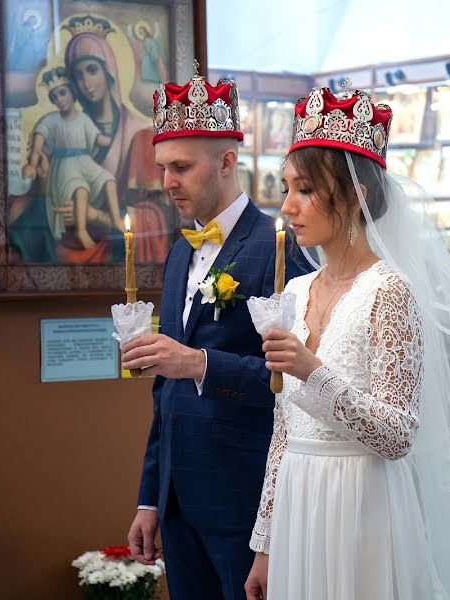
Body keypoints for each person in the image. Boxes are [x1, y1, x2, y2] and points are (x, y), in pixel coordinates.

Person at [244, 87, 450, 600]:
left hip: (362, 503)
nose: (287, 207)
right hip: (299, 504)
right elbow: (282, 434)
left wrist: (312, 370)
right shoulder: (294, 291)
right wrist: (265, 546)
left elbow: (398, 434)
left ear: (355, 196)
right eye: (286, 188)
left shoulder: (389, 292)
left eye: (304, 190)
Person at [120, 70, 311, 600]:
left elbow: (295, 381)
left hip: (243, 493)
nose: (166, 182)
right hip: (177, 495)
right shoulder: (180, 250)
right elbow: (166, 388)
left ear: (227, 162)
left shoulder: (277, 248)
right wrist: (150, 499)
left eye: (181, 167)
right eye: (162, 168)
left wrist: (200, 363)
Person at [7, 15, 174, 265]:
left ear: (109, 71)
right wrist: (41, 180)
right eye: (77, 76)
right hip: (62, 247)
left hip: (117, 252)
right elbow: (44, 198)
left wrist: (97, 216)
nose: (86, 83)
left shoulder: (140, 136)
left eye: (92, 70)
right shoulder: (63, 133)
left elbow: (160, 215)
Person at [22, 66, 124, 249]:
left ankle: (117, 220)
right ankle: (81, 231)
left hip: (85, 162)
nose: (59, 100)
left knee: (109, 179)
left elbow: (97, 138)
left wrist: (116, 136)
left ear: (73, 93)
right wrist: (32, 162)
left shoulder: (84, 119)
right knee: (80, 187)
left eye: (62, 93)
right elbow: (39, 137)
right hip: (65, 166)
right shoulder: (51, 120)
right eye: (54, 97)